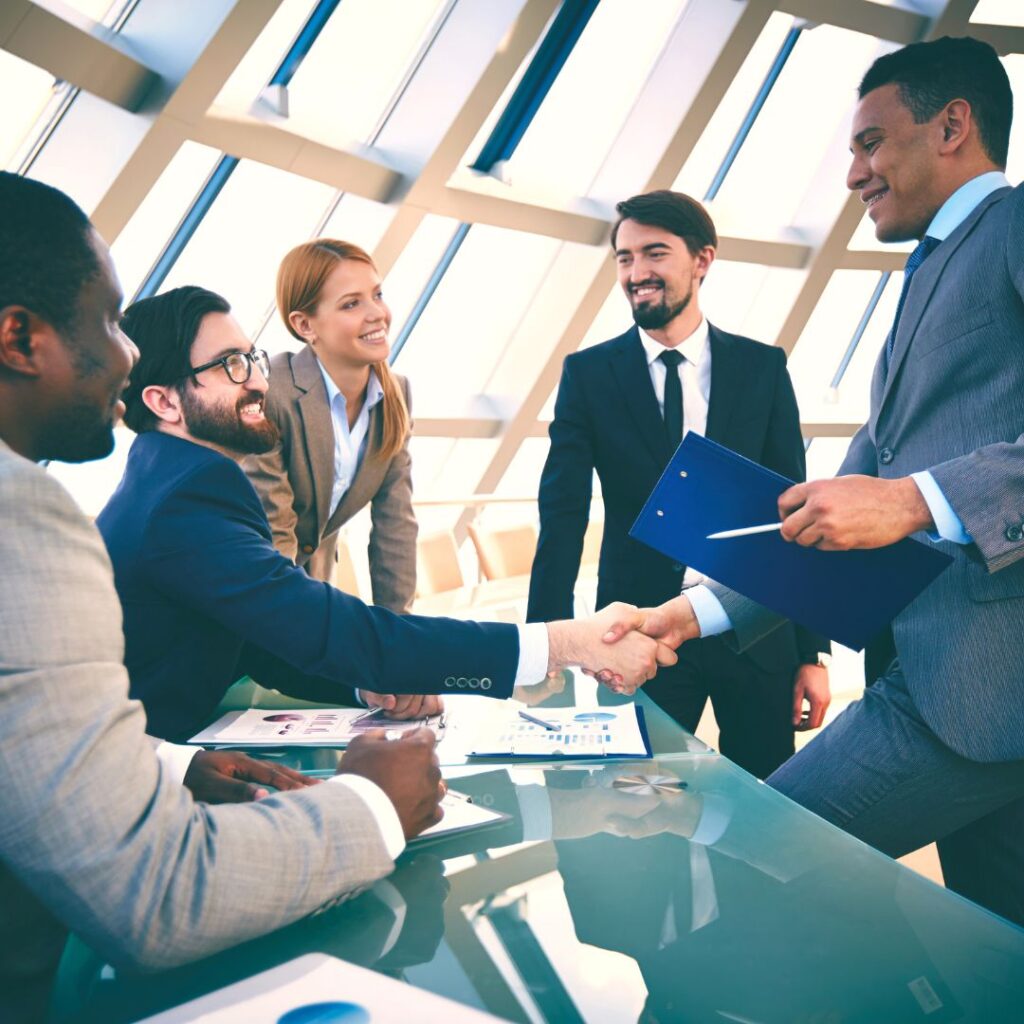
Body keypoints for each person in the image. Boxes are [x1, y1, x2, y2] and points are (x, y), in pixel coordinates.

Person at [0, 170, 448, 1022]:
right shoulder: (24, 515)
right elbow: (156, 895)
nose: (125, 353)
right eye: (104, 320)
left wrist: (173, 765)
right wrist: (371, 803)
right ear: (20, 338)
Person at [610, 36, 1024, 925]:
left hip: (971, 693)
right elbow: (823, 519)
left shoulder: (1016, 227)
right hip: (954, 692)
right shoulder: (927, 274)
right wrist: (686, 615)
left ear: (954, 126)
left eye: (871, 143)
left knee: (756, 855)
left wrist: (914, 500)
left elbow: (894, 501)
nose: (851, 174)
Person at [97, 285, 675, 741]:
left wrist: (367, 688)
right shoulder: (188, 497)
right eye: (229, 365)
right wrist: (564, 642)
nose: (257, 380)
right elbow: (326, 627)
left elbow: (262, 641)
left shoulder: (173, 479)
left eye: (251, 357)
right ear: (164, 401)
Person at [527, 190, 830, 778]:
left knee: (766, 820)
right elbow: (561, 513)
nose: (636, 273)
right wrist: (549, 645)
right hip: (636, 632)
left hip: (754, 628)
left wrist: (809, 651)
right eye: (624, 258)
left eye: (654, 254)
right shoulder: (587, 375)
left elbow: (793, 510)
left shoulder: (761, 368)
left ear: (702, 260)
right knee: (631, 807)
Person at [244, 240, 416, 609]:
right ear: (305, 324)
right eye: (351, 303)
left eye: (377, 294)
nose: (377, 314)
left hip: (314, 587)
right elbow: (275, 533)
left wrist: (399, 634)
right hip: (253, 594)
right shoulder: (272, 391)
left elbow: (395, 527)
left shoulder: (395, 394)